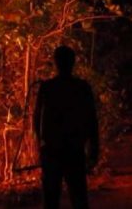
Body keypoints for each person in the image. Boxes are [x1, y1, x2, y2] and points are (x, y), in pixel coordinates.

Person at [33, 45, 99, 209]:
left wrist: (39, 144)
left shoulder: (48, 87)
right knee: (77, 197)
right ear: (73, 62)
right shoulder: (81, 87)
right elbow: (91, 120)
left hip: (54, 149)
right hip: (73, 148)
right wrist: (93, 149)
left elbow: (36, 118)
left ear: (56, 62)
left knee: (52, 198)